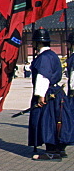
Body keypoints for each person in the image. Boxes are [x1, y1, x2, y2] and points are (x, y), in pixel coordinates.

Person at [28, 28, 67, 160]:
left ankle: (51, 150)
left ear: (38, 43)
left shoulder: (43, 58)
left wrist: (40, 95)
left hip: (47, 93)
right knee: (57, 120)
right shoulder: (53, 55)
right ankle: (58, 148)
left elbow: (43, 76)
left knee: (47, 121)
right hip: (55, 92)